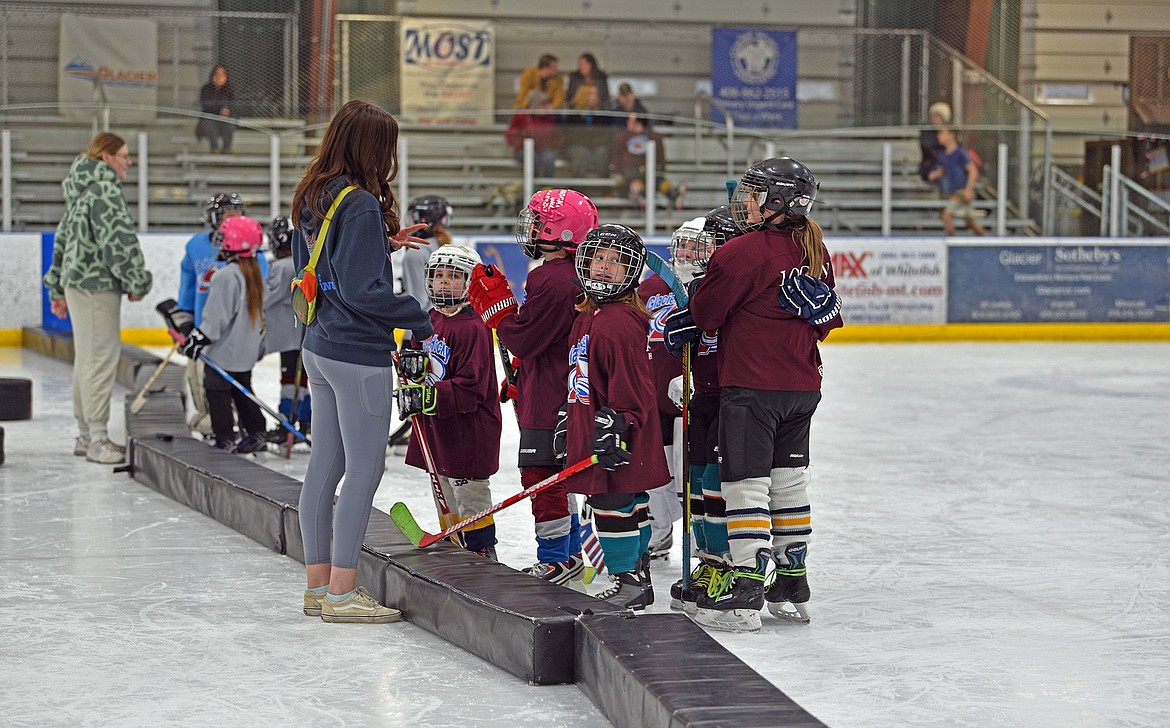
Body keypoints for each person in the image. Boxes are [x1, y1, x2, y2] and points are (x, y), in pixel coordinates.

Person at [666, 157, 842, 633]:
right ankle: (791, 579)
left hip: (752, 388)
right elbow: (825, 322)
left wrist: (689, 308)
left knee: (744, 485)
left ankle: (746, 582)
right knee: (789, 482)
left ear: (776, 200)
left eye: (753, 192)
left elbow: (706, 314)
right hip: (803, 388)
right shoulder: (815, 249)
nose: (744, 202)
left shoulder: (742, 252)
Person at [291, 99, 433, 624]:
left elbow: (322, 265)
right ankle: (345, 592)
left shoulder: (315, 192)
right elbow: (362, 291)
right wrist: (418, 317)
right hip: (356, 354)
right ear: (373, 147)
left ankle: (318, 586)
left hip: (318, 346)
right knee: (364, 470)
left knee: (323, 468)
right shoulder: (361, 204)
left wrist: (380, 245)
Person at [467, 188, 598, 585]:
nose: (532, 229)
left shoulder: (550, 278)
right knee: (557, 474)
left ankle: (557, 558)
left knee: (540, 475)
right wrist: (524, 372)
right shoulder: (576, 273)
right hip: (565, 386)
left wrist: (499, 311)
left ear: (562, 233)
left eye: (540, 223)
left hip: (551, 394)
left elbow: (523, 338)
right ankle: (571, 552)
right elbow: (549, 338)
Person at [563, 223, 670, 610]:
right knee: (629, 501)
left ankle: (627, 580)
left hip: (616, 435)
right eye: (599, 259)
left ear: (632, 271)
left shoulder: (618, 321)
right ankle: (637, 577)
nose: (605, 267)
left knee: (613, 502)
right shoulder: (589, 317)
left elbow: (634, 389)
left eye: (616, 261)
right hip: (600, 427)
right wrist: (570, 418)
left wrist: (620, 423)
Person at [44, 132, 152, 464]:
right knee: (100, 360)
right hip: (97, 285)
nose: (128, 162)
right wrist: (137, 279)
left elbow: (62, 237)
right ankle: (97, 437)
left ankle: (85, 434)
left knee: (87, 359)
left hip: (78, 284)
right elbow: (117, 242)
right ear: (106, 158)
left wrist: (56, 286)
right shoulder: (104, 188)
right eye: (123, 155)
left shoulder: (80, 188)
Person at [396, 246, 502, 559]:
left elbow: (472, 389)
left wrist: (428, 396)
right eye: (439, 275)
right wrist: (412, 372)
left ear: (471, 282)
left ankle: (481, 551)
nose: (444, 283)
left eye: (454, 277)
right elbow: (419, 367)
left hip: (468, 429)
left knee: (469, 494)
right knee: (442, 488)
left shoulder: (473, 328)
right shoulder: (428, 320)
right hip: (438, 425)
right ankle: (455, 543)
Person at [665, 205, 740, 614]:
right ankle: (706, 563)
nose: (694, 253)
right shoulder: (697, 288)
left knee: (715, 486)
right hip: (703, 399)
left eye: (705, 244)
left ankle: (725, 564)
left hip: (731, 397)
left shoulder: (736, 286)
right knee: (694, 486)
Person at [638, 220, 705, 559]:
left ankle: (699, 538)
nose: (684, 252)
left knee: (686, 473)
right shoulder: (651, 285)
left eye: (694, 245)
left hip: (688, 398)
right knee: (655, 468)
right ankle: (660, 530)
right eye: (681, 244)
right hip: (651, 394)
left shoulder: (708, 288)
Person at [177, 192, 267, 437]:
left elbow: (220, 315)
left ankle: (224, 435)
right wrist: (185, 319)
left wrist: (202, 335)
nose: (231, 219)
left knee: (216, 389)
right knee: (235, 387)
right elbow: (187, 288)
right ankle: (253, 431)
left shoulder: (236, 271)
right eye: (226, 214)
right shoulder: (198, 247)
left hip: (217, 337)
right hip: (224, 332)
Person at [389, 195, 453, 452]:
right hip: (439, 324)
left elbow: (418, 298)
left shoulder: (416, 253)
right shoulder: (442, 245)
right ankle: (418, 429)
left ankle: (416, 430)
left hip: (422, 326)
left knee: (414, 382)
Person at [263, 215, 310, 441]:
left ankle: (286, 422)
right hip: (304, 332)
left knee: (290, 376)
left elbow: (266, 298)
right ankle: (306, 418)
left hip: (289, 333)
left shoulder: (281, 267)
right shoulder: (305, 263)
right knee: (303, 377)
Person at [611, 117, 686, 210]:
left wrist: (662, 167)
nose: (628, 123)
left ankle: (673, 192)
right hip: (631, 170)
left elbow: (660, 152)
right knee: (635, 179)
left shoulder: (652, 135)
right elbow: (617, 155)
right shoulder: (622, 136)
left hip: (649, 169)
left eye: (632, 121)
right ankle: (638, 193)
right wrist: (617, 171)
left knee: (658, 180)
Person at [929, 127, 987, 236]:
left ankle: (952, 244)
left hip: (961, 193)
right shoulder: (943, 155)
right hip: (954, 193)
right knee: (970, 221)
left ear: (951, 135)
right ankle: (985, 239)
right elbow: (941, 170)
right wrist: (935, 174)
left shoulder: (960, 153)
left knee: (946, 216)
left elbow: (973, 171)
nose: (938, 136)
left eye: (942, 133)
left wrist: (968, 190)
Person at [505, 90, 562, 178]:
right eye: (543, 105)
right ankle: (534, 184)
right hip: (524, 148)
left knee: (549, 157)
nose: (546, 107)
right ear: (535, 105)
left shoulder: (550, 117)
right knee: (532, 157)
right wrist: (524, 139)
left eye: (546, 105)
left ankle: (547, 185)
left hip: (544, 148)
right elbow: (511, 134)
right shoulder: (522, 115)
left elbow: (556, 136)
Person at [564, 84, 612, 178]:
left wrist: (594, 142)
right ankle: (579, 187)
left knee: (602, 152)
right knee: (581, 153)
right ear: (583, 95)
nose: (595, 96)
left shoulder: (602, 112)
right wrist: (587, 142)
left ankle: (604, 187)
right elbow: (570, 135)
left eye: (596, 93)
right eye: (591, 93)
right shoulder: (573, 114)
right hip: (577, 145)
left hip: (597, 145)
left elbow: (606, 134)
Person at [197, 65, 236, 154]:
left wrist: (227, 110)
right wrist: (220, 110)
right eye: (217, 74)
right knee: (208, 119)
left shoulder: (230, 89)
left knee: (232, 119)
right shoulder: (206, 89)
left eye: (222, 74)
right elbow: (206, 106)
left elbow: (234, 105)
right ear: (212, 76)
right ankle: (214, 148)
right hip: (210, 122)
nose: (219, 77)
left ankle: (227, 148)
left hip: (224, 121)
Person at [918, 101, 952, 182]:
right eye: (933, 116)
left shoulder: (949, 133)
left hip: (947, 165)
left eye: (937, 117)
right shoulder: (927, 133)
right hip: (931, 165)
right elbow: (929, 150)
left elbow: (954, 150)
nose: (934, 119)